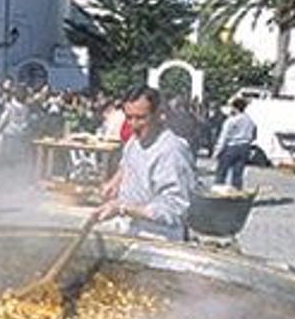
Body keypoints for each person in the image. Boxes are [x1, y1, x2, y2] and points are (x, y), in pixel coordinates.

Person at [95, 86, 196, 242]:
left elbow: (175, 209)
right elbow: (126, 165)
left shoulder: (172, 151)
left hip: (158, 236)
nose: (134, 125)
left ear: (158, 115)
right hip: (130, 228)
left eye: (141, 118)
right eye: (129, 117)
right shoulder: (134, 141)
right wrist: (114, 182)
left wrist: (123, 208)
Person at [212, 97, 258, 189]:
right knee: (238, 172)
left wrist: (216, 152)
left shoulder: (231, 121)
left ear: (235, 107)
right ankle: (237, 191)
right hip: (245, 147)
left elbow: (223, 137)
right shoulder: (250, 121)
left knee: (222, 170)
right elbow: (254, 135)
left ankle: (218, 190)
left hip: (232, 146)